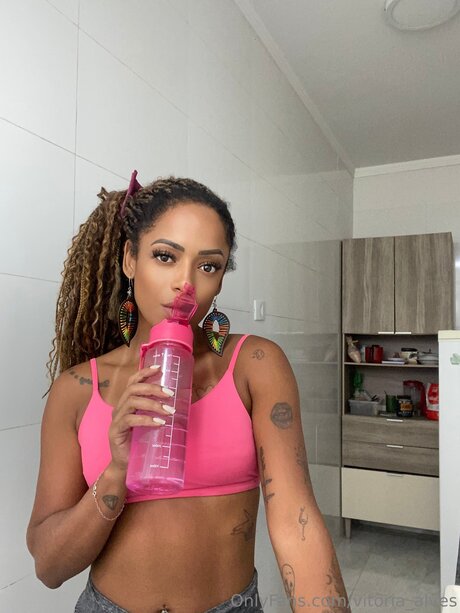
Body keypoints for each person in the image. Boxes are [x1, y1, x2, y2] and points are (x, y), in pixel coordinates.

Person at [26, 173, 351, 613]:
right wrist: (118, 469)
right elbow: (49, 567)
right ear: (129, 259)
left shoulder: (255, 365)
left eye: (208, 265)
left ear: (221, 278)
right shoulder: (77, 389)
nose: (186, 284)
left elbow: (299, 525)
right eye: (165, 256)